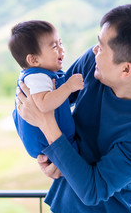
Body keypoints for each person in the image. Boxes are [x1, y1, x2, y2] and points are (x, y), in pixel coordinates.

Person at [16, 4, 131, 212]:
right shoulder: (95, 64)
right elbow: (52, 95)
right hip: (62, 204)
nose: (93, 50)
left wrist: (46, 125)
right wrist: (50, 156)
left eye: (101, 47)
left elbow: (92, 191)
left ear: (126, 69)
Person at [9, 20, 84, 158]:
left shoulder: (41, 75)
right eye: (55, 47)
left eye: (60, 43)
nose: (62, 49)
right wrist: (68, 87)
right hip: (50, 144)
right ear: (33, 60)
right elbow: (43, 104)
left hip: (52, 143)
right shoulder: (37, 77)